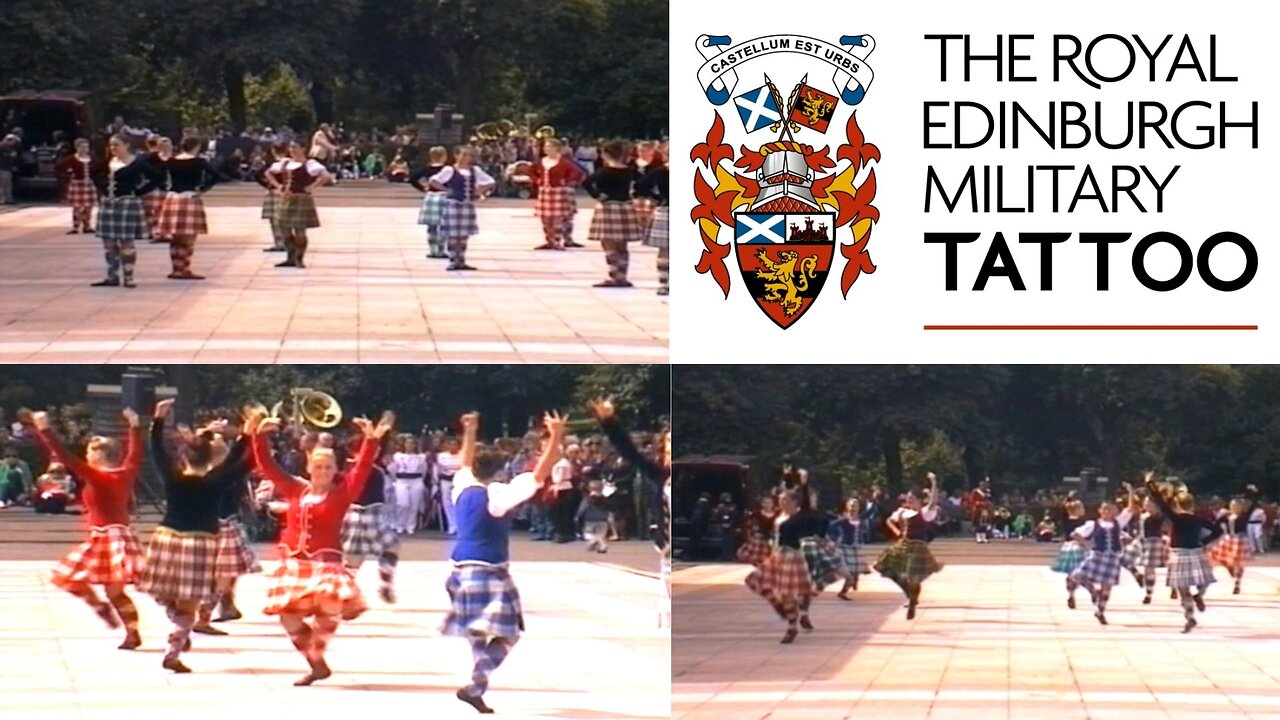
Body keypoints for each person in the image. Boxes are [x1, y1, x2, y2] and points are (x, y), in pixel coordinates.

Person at [251, 408, 395, 685]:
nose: (323, 471)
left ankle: (317, 655)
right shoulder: (295, 489)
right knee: (287, 617)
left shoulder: (342, 494)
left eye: (328, 467)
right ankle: (316, 663)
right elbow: (267, 467)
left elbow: (362, 468)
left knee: (328, 609)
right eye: (318, 466)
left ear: (335, 470)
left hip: (326, 562)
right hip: (296, 563)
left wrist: (371, 440)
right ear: (308, 466)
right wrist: (259, 437)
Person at [443, 410, 566, 714]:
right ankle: (475, 684)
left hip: (458, 571)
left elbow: (464, 463)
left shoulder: (462, 486)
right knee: (509, 634)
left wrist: (470, 430)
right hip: (488, 571)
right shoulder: (499, 494)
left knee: (475, 632)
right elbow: (540, 473)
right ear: (500, 470)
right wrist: (556, 434)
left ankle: (477, 688)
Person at [138, 400, 255, 672]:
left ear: (184, 457)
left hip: (167, 538)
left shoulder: (173, 477)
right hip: (200, 543)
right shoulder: (215, 481)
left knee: (164, 591)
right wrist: (249, 434)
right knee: (189, 605)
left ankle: (175, 621)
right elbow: (240, 463)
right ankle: (174, 646)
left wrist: (158, 420)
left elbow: (157, 451)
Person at [32, 408, 145, 650]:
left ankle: (125, 627)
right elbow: (136, 453)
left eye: (89, 452)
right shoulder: (126, 472)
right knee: (108, 589)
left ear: (99, 455)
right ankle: (120, 621)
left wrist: (45, 430)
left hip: (107, 536)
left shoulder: (96, 475)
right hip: (117, 537)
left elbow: (64, 457)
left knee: (72, 579)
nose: (86, 456)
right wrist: (135, 425)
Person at [1144, 472, 1223, 633]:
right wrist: (1204, 542)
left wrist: (1149, 483)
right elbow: (1218, 531)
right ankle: (1199, 595)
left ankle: (1189, 617)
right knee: (1205, 579)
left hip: (1179, 554)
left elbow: (1160, 501)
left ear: (1178, 506)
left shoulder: (1176, 518)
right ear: (1192, 505)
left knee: (1182, 588)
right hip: (1196, 552)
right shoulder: (1198, 519)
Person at [91, 135, 165, 288]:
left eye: (117, 145)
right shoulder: (108, 162)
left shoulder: (137, 162)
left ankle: (128, 276)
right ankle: (112, 276)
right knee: (109, 242)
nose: (113, 148)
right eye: (111, 145)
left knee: (126, 241)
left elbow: (157, 177)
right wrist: (103, 188)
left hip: (127, 203)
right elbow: (94, 174)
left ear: (127, 145)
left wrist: (139, 191)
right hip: (108, 204)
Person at [873, 473, 944, 619]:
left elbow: (933, 500)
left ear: (918, 500)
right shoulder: (902, 512)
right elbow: (889, 520)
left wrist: (933, 482)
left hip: (918, 547)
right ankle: (909, 595)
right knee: (880, 566)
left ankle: (912, 600)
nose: (908, 500)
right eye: (907, 498)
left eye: (911, 498)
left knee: (914, 578)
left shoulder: (924, 512)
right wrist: (896, 530)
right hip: (903, 545)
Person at [341, 434, 400, 604]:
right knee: (390, 547)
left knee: (354, 558)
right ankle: (384, 582)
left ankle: (346, 589)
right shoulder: (367, 469)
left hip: (355, 515)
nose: (377, 451)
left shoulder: (348, 468)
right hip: (368, 513)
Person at [1065, 485, 1136, 625]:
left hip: (1112, 558)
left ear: (1115, 511)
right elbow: (1075, 534)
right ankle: (1088, 591)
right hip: (1096, 556)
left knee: (1107, 586)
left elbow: (1130, 510)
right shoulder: (1093, 524)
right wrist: (1086, 543)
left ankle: (1100, 610)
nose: (1107, 511)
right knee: (1076, 575)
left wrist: (1130, 492)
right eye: (1104, 509)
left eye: (1110, 509)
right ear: (1100, 511)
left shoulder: (1118, 523)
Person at [155, 137, 221, 280]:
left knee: (175, 236)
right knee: (189, 237)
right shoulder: (199, 162)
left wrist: (165, 188)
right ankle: (185, 268)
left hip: (172, 198)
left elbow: (157, 177)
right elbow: (216, 176)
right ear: (196, 147)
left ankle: (176, 268)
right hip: (190, 197)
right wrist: (202, 189)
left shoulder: (171, 161)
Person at [583, 140, 642, 287]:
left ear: (605, 154)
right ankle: (622, 275)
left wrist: (598, 195)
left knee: (608, 243)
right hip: (625, 206)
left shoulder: (604, 171)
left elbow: (587, 183)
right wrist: (634, 194)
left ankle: (614, 275)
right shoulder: (630, 171)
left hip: (608, 207)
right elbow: (643, 183)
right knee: (623, 244)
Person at [266, 141, 332, 268]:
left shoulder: (310, 164)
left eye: (295, 147)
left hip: (302, 199)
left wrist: (312, 187)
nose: (292, 150)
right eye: (290, 147)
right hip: (286, 199)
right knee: (283, 228)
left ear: (303, 148)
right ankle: (290, 257)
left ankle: (299, 258)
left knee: (300, 230)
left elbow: (325, 176)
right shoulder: (285, 162)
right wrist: (279, 186)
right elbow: (268, 173)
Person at [430, 145, 496, 272]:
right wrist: (446, 190)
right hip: (453, 204)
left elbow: (491, 182)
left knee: (464, 235)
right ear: (456, 155)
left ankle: (462, 260)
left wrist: (481, 189)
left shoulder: (475, 170)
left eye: (469, 155)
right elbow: (434, 180)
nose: (466, 158)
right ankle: (453, 260)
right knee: (453, 234)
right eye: (464, 155)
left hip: (468, 204)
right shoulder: (450, 170)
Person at [529, 138, 584, 251]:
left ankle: (557, 241)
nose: (546, 148)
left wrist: (567, 181)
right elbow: (531, 171)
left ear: (556, 148)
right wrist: (537, 180)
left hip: (559, 192)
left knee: (558, 218)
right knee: (545, 218)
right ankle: (549, 240)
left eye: (549, 146)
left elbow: (578, 172)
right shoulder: (542, 161)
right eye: (545, 146)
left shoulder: (563, 162)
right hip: (545, 192)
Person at [1209, 485, 1261, 595]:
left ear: (1240, 507)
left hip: (1239, 539)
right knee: (1223, 560)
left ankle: (1237, 582)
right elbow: (1215, 525)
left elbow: (1253, 505)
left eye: (1236, 505)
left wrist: (1254, 493)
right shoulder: (1226, 515)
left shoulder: (1244, 516)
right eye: (1232, 505)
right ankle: (1234, 576)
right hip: (1228, 539)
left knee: (1239, 563)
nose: (1234, 507)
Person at [635, 140, 669, 295]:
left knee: (665, 249)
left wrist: (656, 197)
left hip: (665, 208)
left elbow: (640, 186)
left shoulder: (660, 171)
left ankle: (665, 283)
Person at [410, 146, 450, 259]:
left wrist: (423, 188)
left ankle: (432, 250)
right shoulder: (448, 169)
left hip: (431, 197)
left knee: (431, 226)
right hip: (444, 197)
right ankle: (441, 250)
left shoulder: (427, 169)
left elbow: (412, 179)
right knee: (444, 225)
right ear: (444, 156)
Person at [55, 138, 98, 233]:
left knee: (88, 206)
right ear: (76, 148)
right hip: (77, 184)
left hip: (88, 184)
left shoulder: (91, 159)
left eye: (86, 147)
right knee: (77, 206)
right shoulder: (72, 159)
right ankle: (75, 226)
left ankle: (87, 225)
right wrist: (69, 173)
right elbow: (58, 167)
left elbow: (97, 169)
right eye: (82, 147)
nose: (84, 149)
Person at [254, 143, 289, 253]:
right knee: (283, 218)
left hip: (273, 192)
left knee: (274, 219)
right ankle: (286, 242)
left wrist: (268, 185)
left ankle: (279, 243)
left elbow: (257, 175)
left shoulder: (272, 164)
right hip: (285, 192)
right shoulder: (289, 163)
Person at [390, 435, 429, 534]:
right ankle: (400, 525)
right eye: (408, 443)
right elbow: (393, 470)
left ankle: (410, 526)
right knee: (402, 504)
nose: (410, 445)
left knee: (414, 505)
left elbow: (424, 470)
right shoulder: (398, 456)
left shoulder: (421, 457)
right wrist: (397, 479)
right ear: (404, 444)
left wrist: (420, 479)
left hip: (416, 480)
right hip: (402, 480)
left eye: (412, 443)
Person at [828, 498, 866, 599]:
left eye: (855, 505)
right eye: (851, 506)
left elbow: (863, 531)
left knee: (857, 569)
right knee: (850, 571)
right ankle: (843, 592)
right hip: (845, 547)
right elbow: (830, 527)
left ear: (858, 508)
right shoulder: (844, 520)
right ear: (848, 507)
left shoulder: (861, 520)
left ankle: (854, 581)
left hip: (857, 547)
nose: (853, 508)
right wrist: (834, 540)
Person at [577, 478, 611, 553]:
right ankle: (592, 545)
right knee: (601, 534)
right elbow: (610, 508)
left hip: (590, 519)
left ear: (589, 489)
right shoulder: (605, 499)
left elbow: (583, 509)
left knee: (588, 534)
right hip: (603, 519)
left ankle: (602, 544)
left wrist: (578, 516)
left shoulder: (587, 499)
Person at [0, 133, 17, 205]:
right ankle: (3, 199)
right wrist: (10, 155)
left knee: (7, 185)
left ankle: (8, 199)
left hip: (7, 168)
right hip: (2, 168)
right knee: (2, 185)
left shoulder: (9, 147)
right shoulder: (2, 146)